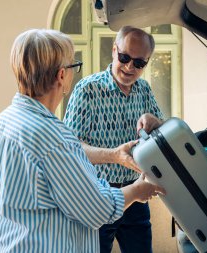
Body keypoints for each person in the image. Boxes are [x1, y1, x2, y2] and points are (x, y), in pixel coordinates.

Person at [0, 29, 165, 253]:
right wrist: (136, 191)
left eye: (138, 63)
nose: (129, 67)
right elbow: (98, 209)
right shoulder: (54, 138)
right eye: (73, 65)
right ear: (61, 75)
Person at [63, 26, 164, 253]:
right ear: (114, 50)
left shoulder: (144, 90)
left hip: (137, 195)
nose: (129, 67)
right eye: (125, 57)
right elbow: (70, 148)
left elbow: (163, 133)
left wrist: (154, 120)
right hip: (96, 195)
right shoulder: (87, 90)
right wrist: (114, 156)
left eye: (139, 63)